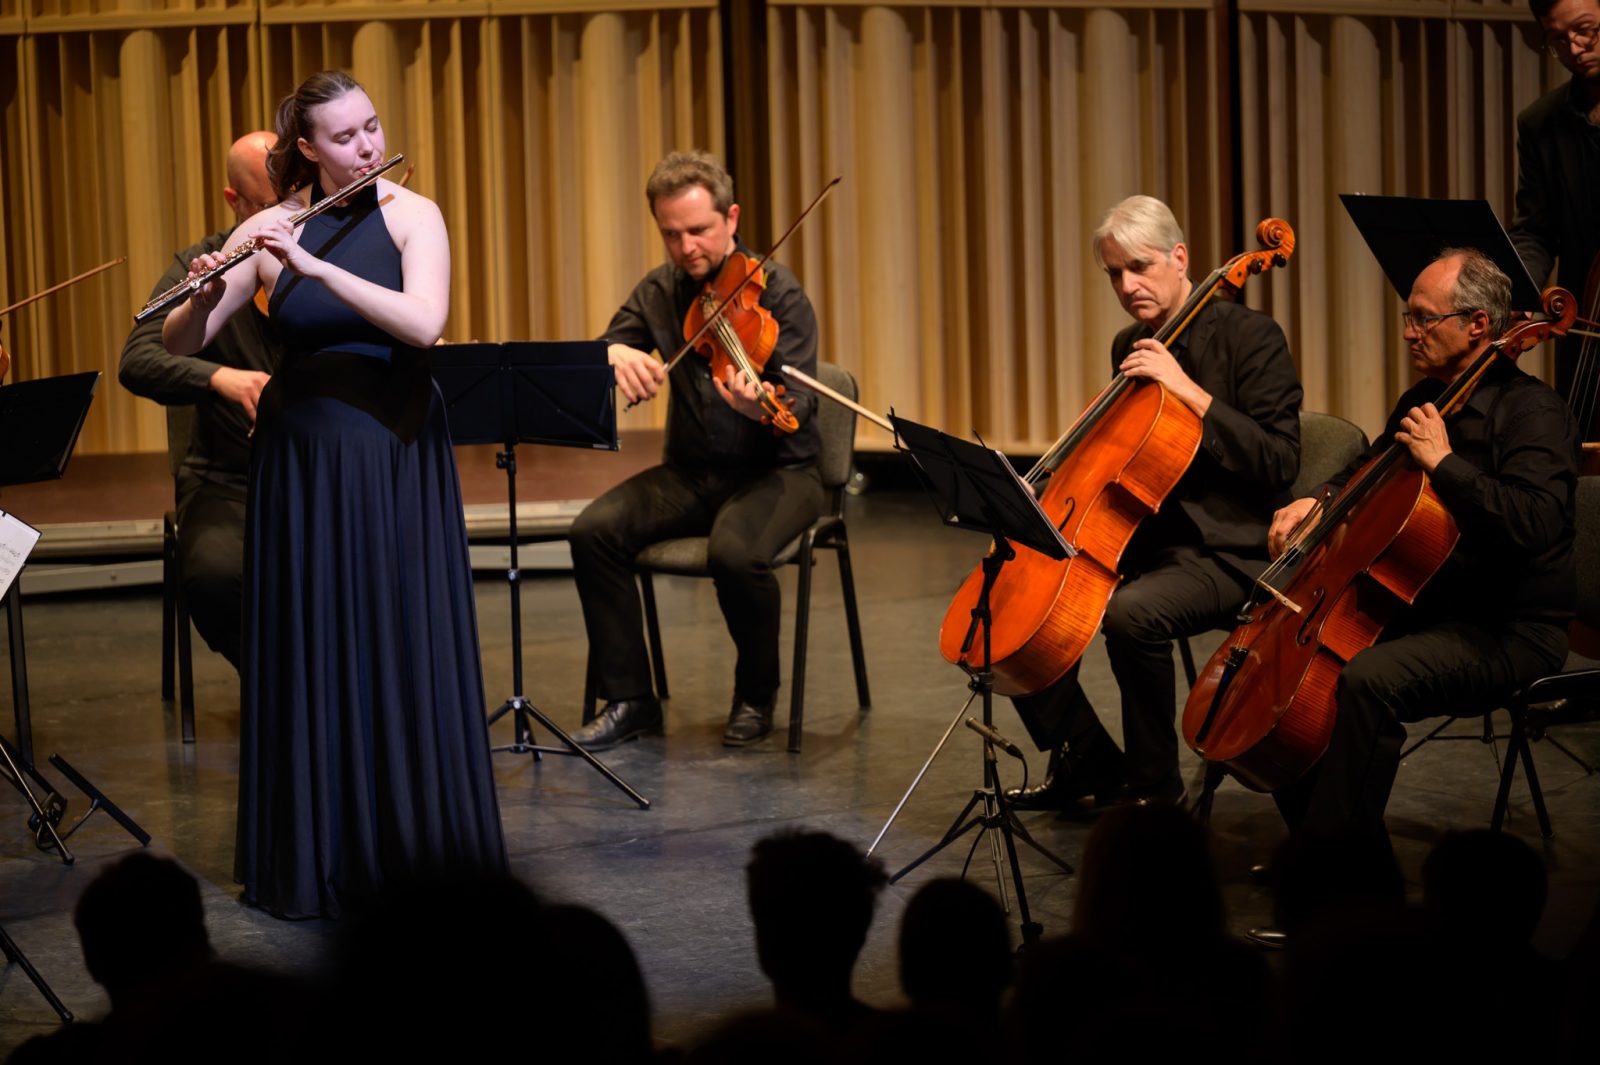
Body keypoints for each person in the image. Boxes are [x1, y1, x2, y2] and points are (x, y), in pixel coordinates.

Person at [162, 70, 506, 919]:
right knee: (313, 639)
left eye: (372, 126)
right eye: (345, 136)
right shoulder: (271, 224)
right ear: (308, 150)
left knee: (396, 634)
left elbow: (423, 322)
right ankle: (319, 852)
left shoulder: (413, 215)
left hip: (391, 449)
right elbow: (181, 340)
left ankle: (415, 854)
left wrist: (311, 265)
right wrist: (205, 291)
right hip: (304, 459)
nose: (367, 145)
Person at [1266, 248, 1577, 842]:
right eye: (1408, 317)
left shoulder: (1534, 413)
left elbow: (1534, 524)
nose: (1410, 332)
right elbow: (1365, 469)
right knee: (1298, 668)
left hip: (1508, 628)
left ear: (1478, 324)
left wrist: (1445, 463)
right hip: (1425, 605)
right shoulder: (1423, 400)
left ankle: (1334, 874)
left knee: (1368, 679)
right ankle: (1328, 847)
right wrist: (1320, 500)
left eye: (1424, 319)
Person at [1007, 195, 1302, 808]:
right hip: (1150, 535)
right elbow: (1122, 448)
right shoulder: (1130, 343)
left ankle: (1153, 789)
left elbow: (1278, 459)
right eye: (1114, 273)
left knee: (1131, 615)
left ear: (1180, 258)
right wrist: (1051, 482)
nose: (1127, 286)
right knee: (1012, 597)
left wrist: (1188, 390)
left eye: (1140, 267)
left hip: (1230, 548)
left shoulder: (1251, 337)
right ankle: (1086, 757)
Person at [566, 150, 823, 750]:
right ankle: (631, 700)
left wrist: (759, 407)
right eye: (671, 234)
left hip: (781, 473)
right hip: (691, 473)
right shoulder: (660, 291)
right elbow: (598, 355)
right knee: (592, 531)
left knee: (735, 554)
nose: (686, 248)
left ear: (731, 218)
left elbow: (803, 403)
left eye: (699, 231)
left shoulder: (779, 293)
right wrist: (611, 353)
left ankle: (755, 695)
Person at [119, 131, 283, 670]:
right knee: (214, 577)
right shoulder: (204, 262)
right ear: (235, 201)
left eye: (292, 199)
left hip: (313, 472)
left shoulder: (318, 254)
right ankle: (275, 685)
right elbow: (138, 358)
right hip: (227, 479)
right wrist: (221, 378)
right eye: (266, 205)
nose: (280, 220)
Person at [1510, 0, 1600, 402]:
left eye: (1586, 29)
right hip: (1585, 325)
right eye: (1558, 40)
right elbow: (1535, 230)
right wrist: (1520, 292)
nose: (1575, 48)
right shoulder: (1540, 123)